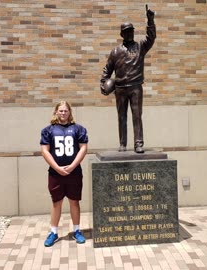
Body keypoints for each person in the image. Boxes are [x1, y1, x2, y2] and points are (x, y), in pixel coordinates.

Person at [100, 4, 156, 153]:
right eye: (126, 32)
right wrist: (103, 83)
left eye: (131, 31)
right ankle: (123, 143)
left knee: (137, 116)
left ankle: (138, 144)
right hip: (120, 89)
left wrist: (150, 20)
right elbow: (107, 70)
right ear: (122, 34)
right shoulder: (115, 51)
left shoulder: (140, 47)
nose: (130, 33)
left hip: (135, 87)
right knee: (122, 117)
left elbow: (151, 37)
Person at [40, 101, 89, 247]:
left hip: (74, 172)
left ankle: (77, 230)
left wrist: (72, 166)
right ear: (56, 112)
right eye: (60, 111)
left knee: (74, 201)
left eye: (65, 111)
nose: (63, 113)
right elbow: (45, 151)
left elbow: (83, 148)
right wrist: (57, 168)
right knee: (56, 202)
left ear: (70, 112)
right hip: (55, 173)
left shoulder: (78, 129)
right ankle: (53, 232)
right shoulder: (48, 130)